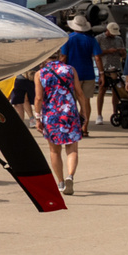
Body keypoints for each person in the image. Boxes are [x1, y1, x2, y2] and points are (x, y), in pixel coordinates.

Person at [35, 53, 83, 194]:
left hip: (51, 114)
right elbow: (79, 92)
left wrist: (37, 117)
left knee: (54, 150)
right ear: (59, 56)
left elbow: (38, 98)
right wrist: (84, 111)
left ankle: (61, 182)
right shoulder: (70, 69)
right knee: (72, 149)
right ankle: (70, 176)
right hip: (69, 112)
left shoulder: (40, 74)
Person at [62, 15, 99, 125]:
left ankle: (74, 125)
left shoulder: (68, 39)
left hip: (71, 74)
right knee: (86, 101)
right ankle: (85, 127)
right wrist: (101, 73)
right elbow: (97, 56)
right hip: (88, 72)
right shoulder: (91, 40)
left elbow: (63, 57)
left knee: (72, 100)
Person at [95, 22, 126, 124]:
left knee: (116, 92)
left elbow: (124, 54)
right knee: (102, 90)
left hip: (116, 68)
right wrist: (108, 51)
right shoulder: (99, 38)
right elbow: (95, 54)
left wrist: (121, 52)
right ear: (107, 30)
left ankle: (115, 112)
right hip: (104, 68)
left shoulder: (119, 39)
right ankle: (99, 115)